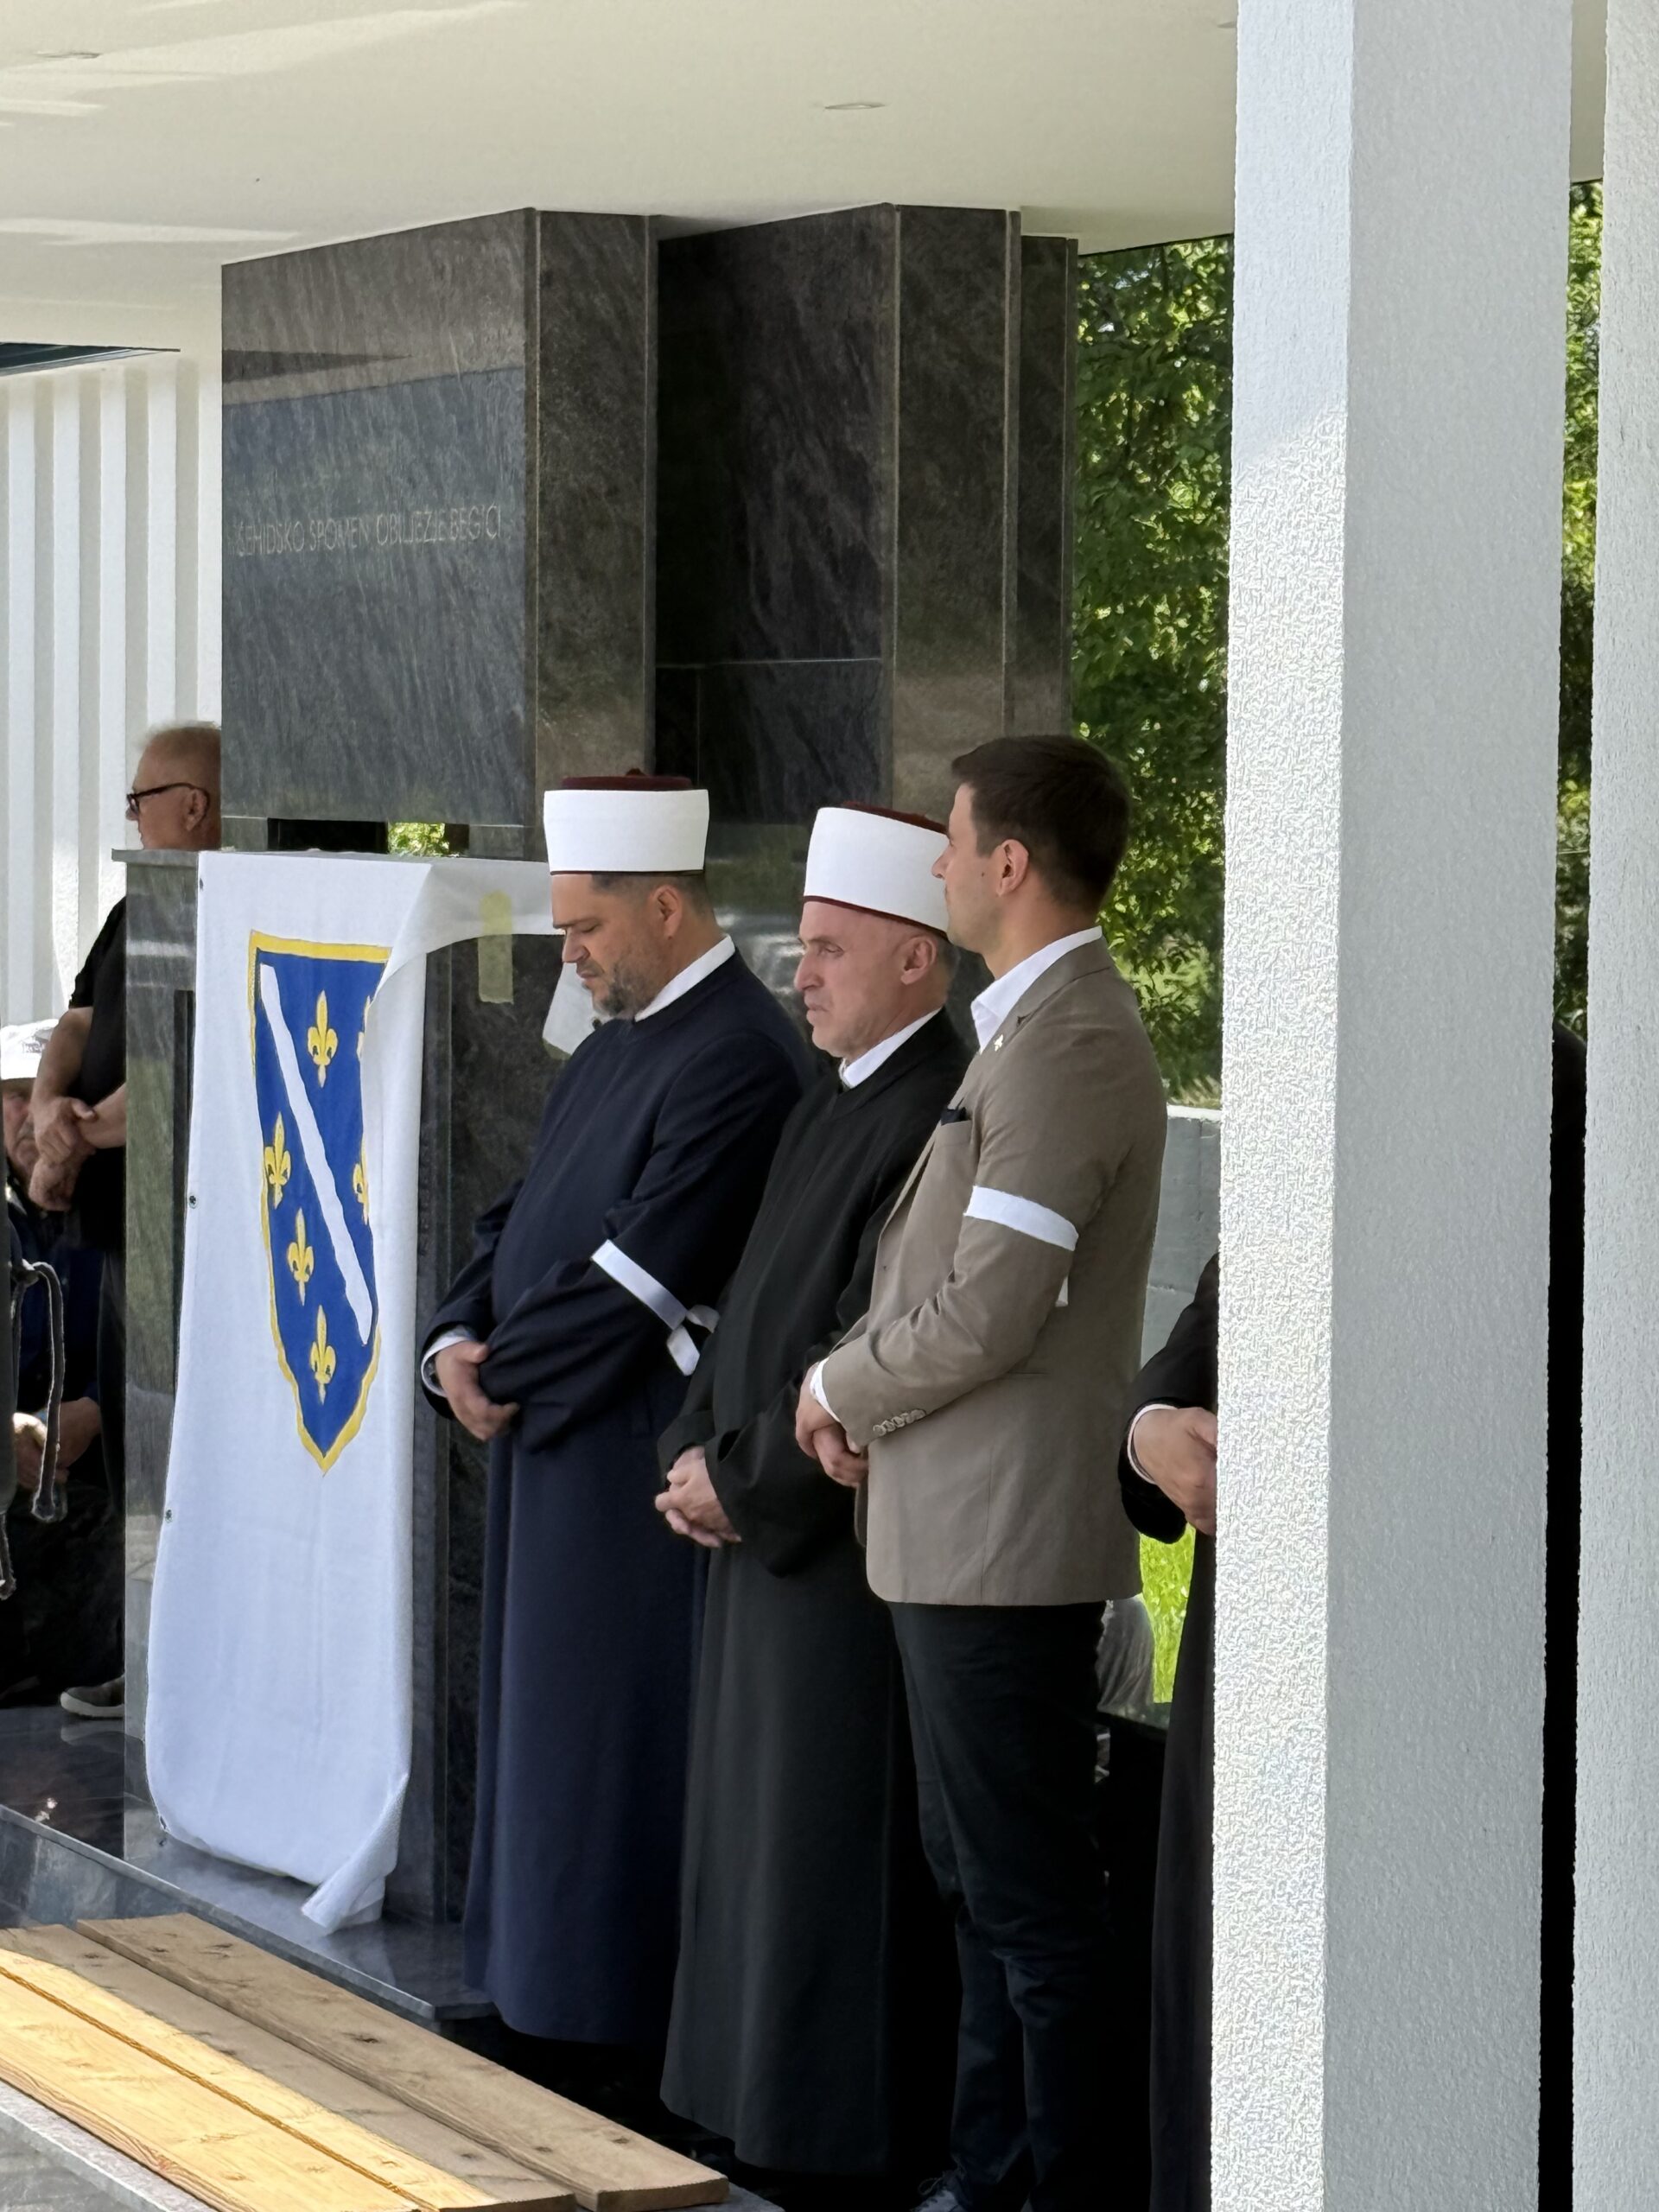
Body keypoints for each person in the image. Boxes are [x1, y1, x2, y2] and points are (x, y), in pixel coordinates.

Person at [795, 734, 1168, 2212]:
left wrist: (836, 1386)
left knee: (1031, 1909)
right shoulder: (1028, 1030)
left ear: (1009, 865)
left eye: (951, 843)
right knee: (980, 1890)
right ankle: (991, 2173)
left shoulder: (1070, 1040)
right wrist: (859, 1396)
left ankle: (1053, 2190)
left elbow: (995, 1308)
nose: (939, 866)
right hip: (954, 1534)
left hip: (1002, 1548)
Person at [1122, 1026, 1586, 2212]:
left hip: (1434, 1688)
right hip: (1252, 1670)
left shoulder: (1553, 1102)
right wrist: (1152, 1430)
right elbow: (1194, 1344)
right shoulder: (1322, 1107)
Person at [423, 774, 807, 2062]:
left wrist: (499, 1368)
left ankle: (601, 2029)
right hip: (553, 1438)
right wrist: (454, 1337)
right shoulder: (615, 1040)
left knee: (605, 1750)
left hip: (626, 1459)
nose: (570, 955)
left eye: (586, 928)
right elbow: (519, 1217)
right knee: (548, 1744)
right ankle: (535, 1995)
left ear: (664, 907)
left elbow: (639, 1276)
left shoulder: (738, 1054)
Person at [654, 804, 969, 2191]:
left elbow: (873, 1343)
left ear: (916, 957)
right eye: (804, 946)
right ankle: (742, 2109)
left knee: (821, 1852)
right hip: (753, 1527)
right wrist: (694, 1447)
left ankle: (824, 2142)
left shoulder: (935, 1110)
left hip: (835, 1552)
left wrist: (744, 1480)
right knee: (749, 1843)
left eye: (833, 948)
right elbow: (748, 1313)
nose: (805, 973)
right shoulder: (832, 1096)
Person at [29, 720, 222, 1722]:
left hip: (184, 1228)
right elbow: (77, 1024)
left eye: (142, 800)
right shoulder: (133, 909)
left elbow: (197, 1064)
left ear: (194, 805)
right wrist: (50, 1111)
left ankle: (186, 1668)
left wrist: (80, 1134)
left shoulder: (228, 907)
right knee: (128, 1465)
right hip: (111, 1229)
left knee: (179, 1454)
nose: (132, 818)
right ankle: (137, 1653)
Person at [3, 1020, 122, 1701]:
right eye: (12, 1096)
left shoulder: (123, 1206)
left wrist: (99, 1409)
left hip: (103, 1469)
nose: (28, 1116)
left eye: (38, 1093)